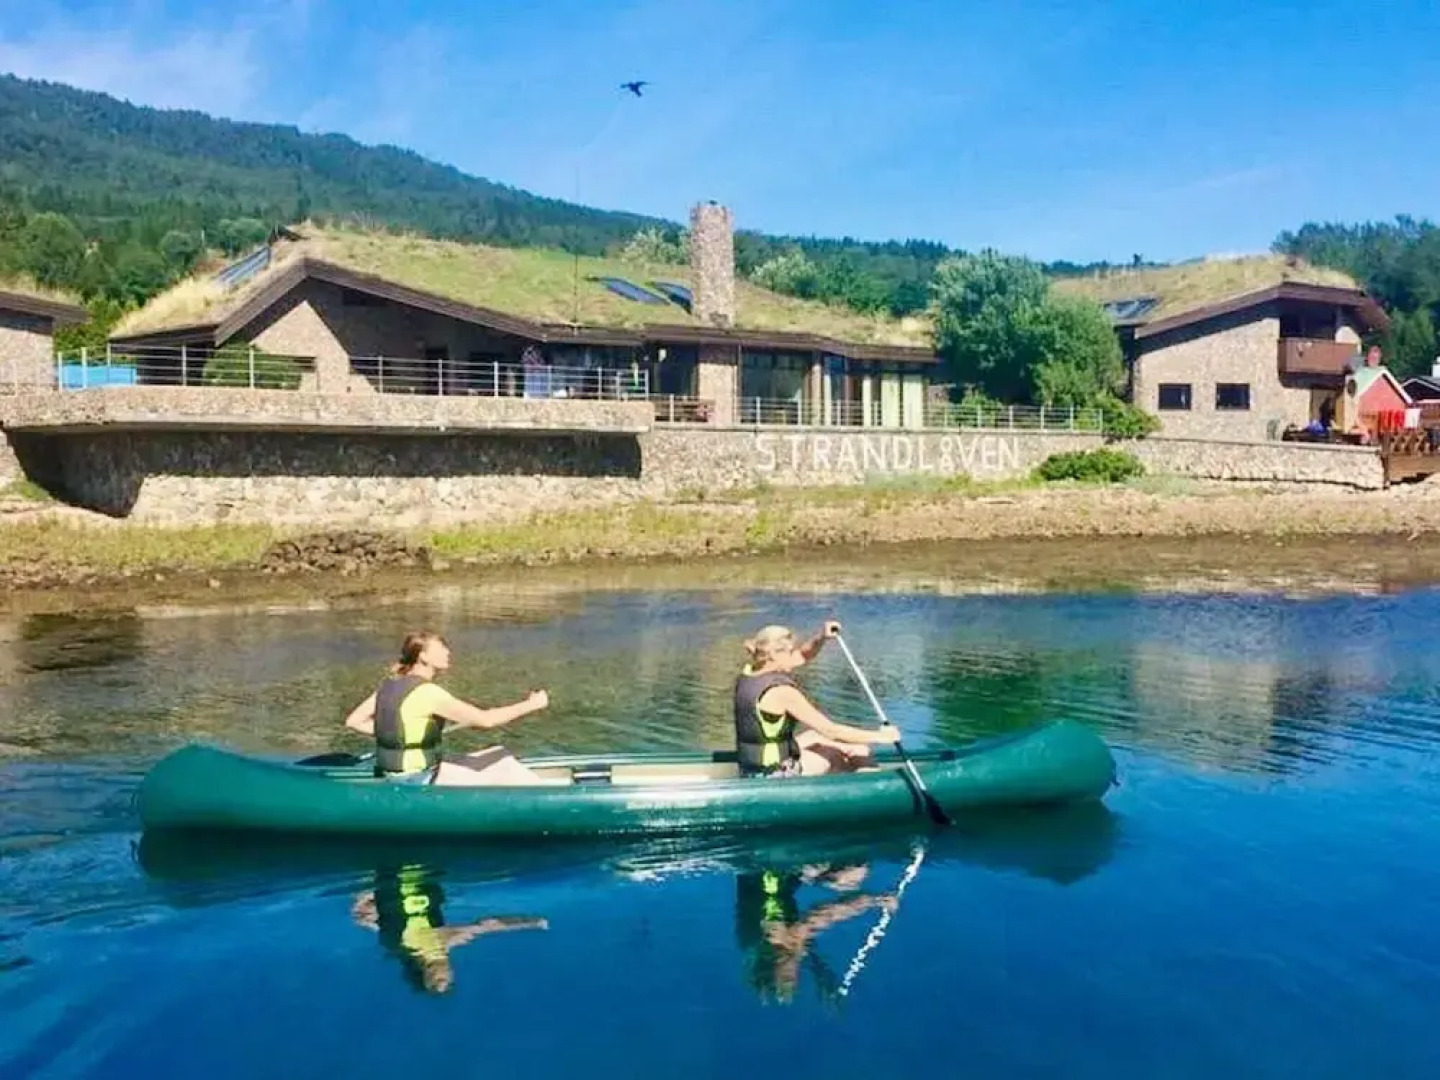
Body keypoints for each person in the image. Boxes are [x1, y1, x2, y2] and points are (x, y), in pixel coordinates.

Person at [344, 630, 550, 786]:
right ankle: (544, 801)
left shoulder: (388, 686)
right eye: (441, 648)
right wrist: (531, 704)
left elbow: (354, 721)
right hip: (418, 779)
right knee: (505, 766)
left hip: (391, 773)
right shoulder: (428, 693)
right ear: (423, 657)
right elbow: (486, 720)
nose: (448, 652)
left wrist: (399, 735)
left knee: (498, 753)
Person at [734, 620, 899, 777]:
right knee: (839, 753)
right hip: (772, 774)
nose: (794, 656)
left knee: (815, 736)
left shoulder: (749, 673)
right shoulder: (782, 691)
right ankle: (867, 787)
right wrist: (882, 736)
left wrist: (822, 637)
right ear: (775, 654)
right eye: (790, 651)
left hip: (752, 767)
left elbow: (802, 655)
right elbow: (832, 731)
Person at [351, 862, 548, 994]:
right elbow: (490, 925)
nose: (444, 977)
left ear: (425, 976)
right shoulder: (448, 939)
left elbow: (366, 913)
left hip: (391, 875)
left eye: (437, 981)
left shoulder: (398, 944)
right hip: (423, 874)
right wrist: (529, 923)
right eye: (448, 981)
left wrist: (364, 899)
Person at [734, 861, 896, 1005]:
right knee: (850, 877)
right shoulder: (759, 945)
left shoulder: (778, 938)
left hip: (774, 869)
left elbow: (826, 915)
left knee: (851, 874)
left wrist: (875, 900)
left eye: (788, 978)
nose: (796, 974)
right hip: (773, 879)